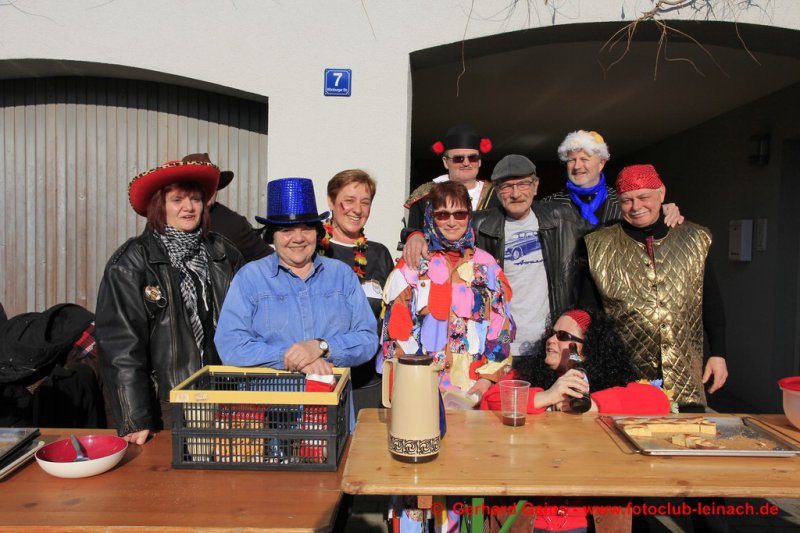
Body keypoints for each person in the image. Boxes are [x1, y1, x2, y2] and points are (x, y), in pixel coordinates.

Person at [480, 308, 670, 533]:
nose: (551, 339)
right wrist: (547, 397)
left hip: (588, 522)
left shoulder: (611, 383)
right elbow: (490, 400)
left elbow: (659, 402)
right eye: (551, 333)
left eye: (563, 336)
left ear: (587, 351)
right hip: (529, 520)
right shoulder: (527, 375)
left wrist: (594, 405)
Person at [96, 159, 243, 445]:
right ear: (159, 206)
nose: (189, 207)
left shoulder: (222, 252)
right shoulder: (131, 262)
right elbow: (120, 346)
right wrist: (135, 417)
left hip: (222, 394)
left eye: (196, 199)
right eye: (177, 200)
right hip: (165, 401)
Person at [583, 164, 728, 412]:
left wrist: (719, 353)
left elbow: (711, 302)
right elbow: (589, 313)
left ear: (661, 193)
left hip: (684, 375)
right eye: (627, 200)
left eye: (643, 197)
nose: (636, 207)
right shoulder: (597, 245)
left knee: (687, 433)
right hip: (625, 377)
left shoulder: (695, 238)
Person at [214, 177, 377, 376]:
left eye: (307, 228)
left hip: (331, 395)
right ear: (272, 235)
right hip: (270, 396)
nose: (298, 238)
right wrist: (291, 358)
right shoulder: (250, 278)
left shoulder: (342, 276)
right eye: (286, 230)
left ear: (317, 232)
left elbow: (367, 338)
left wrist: (321, 346)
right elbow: (230, 345)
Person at [382, 181, 515, 402]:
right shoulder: (413, 264)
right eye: (443, 215)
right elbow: (394, 335)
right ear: (431, 217)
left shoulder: (488, 265)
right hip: (420, 390)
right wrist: (407, 384)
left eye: (459, 214)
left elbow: (501, 327)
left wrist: (487, 379)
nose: (452, 222)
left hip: (473, 391)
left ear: (469, 216)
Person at [472, 154, 586, 354]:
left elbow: (603, 238)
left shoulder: (562, 218)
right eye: (507, 186)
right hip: (500, 342)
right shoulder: (479, 226)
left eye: (523, 184)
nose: (516, 193)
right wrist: (416, 235)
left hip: (551, 343)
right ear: (496, 190)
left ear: (536, 185)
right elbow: (444, 237)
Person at [318, 169, 394, 414]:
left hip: (369, 382)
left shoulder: (379, 254)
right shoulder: (313, 250)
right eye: (349, 200)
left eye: (365, 202)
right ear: (331, 201)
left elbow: (392, 315)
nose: (357, 210)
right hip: (322, 378)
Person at [543, 129, 683, 230]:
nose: (577, 166)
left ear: (601, 163)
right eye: (571, 160)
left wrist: (661, 212)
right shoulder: (548, 205)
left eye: (584, 159)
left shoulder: (624, 202)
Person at [401, 124, 500, 265]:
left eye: (472, 158)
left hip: (487, 269)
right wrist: (414, 235)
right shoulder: (426, 195)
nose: (466, 163)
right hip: (436, 269)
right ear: (446, 162)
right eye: (459, 158)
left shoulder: (497, 196)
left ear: (479, 161)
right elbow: (413, 230)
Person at [182, 153, 273, 262]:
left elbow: (269, 261)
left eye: (211, 184)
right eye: (198, 185)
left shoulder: (234, 225)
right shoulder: (170, 219)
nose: (206, 190)